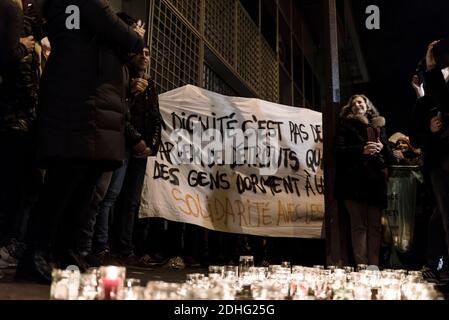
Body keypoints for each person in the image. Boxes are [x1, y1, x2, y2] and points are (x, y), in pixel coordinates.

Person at [16, 0, 145, 283]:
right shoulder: (87, 5)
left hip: (89, 106)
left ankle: (64, 252)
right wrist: (134, 35)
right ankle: (36, 253)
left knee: (81, 188)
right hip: (80, 105)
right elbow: (127, 37)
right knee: (63, 184)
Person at [334, 95, 399, 267]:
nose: (357, 104)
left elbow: (391, 159)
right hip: (354, 182)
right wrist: (361, 149)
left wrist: (383, 148)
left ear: (367, 106)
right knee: (359, 226)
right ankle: (362, 267)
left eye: (360, 102)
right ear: (350, 109)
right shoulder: (345, 125)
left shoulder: (379, 127)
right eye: (353, 103)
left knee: (375, 227)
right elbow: (338, 152)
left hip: (375, 183)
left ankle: (374, 267)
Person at [411, 40, 449, 280]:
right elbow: (415, 135)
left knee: (440, 217)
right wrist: (430, 130)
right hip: (440, 163)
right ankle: (435, 265)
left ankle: (435, 264)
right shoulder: (424, 102)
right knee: (444, 215)